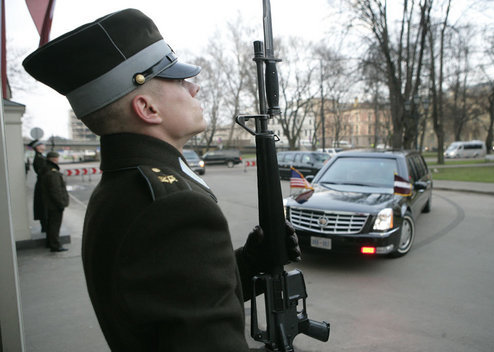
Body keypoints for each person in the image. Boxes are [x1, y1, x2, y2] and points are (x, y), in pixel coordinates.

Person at [23, 9, 300, 351]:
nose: (194, 88)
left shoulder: (126, 187)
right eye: (179, 81)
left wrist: (251, 262)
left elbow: (178, 297)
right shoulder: (173, 207)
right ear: (148, 109)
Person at [41, 151, 69, 252]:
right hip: (54, 204)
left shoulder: (46, 169)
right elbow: (55, 190)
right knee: (55, 225)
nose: (58, 159)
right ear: (54, 159)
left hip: (49, 203)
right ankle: (55, 245)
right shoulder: (53, 172)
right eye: (57, 158)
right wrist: (61, 203)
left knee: (51, 224)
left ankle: (50, 243)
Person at [28, 139, 48, 235]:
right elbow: (43, 172)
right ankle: (45, 227)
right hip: (43, 186)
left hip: (41, 185)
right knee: (43, 207)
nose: (44, 145)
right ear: (37, 147)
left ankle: (45, 226)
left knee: (43, 207)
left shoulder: (40, 157)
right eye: (41, 144)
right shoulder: (39, 158)